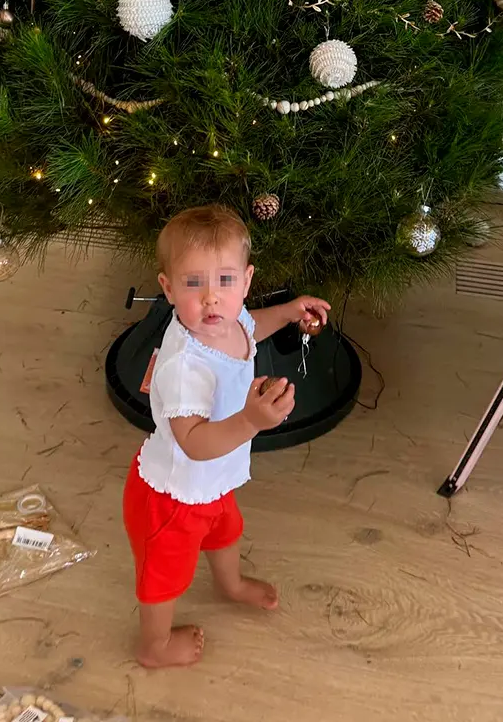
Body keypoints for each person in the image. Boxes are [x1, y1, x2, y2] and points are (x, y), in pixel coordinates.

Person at [122, 204, 330, 668]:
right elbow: (193, 442)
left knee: (225, 531)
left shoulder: (231, 323)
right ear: (169, 289)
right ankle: (153, 646)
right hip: (172, 496)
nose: (212, 299)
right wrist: (251, 423)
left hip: (214, 479)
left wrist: (290, 311)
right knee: (164, 576)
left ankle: (229, 584)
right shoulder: (183, 366)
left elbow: (254, 326)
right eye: (194, 284)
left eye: (226, 282)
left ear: (247, 280)